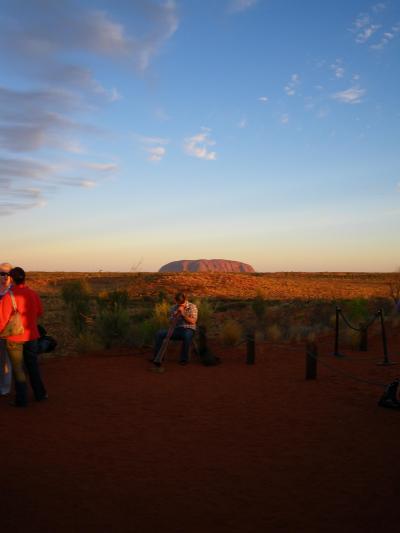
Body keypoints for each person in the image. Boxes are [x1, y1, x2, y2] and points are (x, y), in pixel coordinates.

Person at [0, 267, 47, 407]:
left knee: (18, 369)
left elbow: (2, 319)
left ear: (12, 279)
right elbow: (39, 311)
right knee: (32, 366)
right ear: (24, 277)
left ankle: (22, 399)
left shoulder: (9, 297)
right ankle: (40, 394)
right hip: (32, 336)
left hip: (15, 338)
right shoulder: (32, 294)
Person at [153, 292, 198, 365]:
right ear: (176, 301)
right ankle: (158, 357)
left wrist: (183, 315)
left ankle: (184, 359)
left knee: (187, 335)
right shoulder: (173, 307)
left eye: (182, 303)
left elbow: (193, 321)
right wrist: (174, 316)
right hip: (176, 330)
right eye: (178, 303)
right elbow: (170, 322)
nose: (180, 304)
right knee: (159, 333)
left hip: (189, 329)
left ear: (185, 300)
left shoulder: (192, 306)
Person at [0, 262, 13, 395]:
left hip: (8, 331)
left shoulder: (13, 291)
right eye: (2, 274)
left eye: (8, 274)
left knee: (5, 362)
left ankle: (5, 388)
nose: (5, 277)